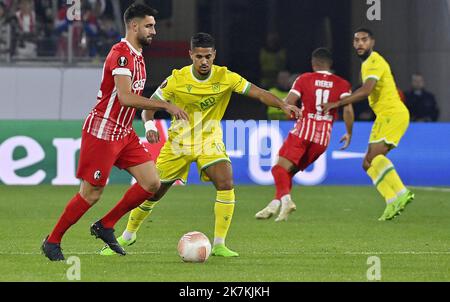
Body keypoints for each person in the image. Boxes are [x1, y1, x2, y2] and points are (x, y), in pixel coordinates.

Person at [99, 32, 301, 257]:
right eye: (199, 57)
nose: (204, 61)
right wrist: (150, 127)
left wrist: (283, 105)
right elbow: (149, 108)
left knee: (226, 182)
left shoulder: (225, 77)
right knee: (153, 192)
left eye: (207, 56)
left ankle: (219, 244)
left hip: (209, 140)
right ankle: (128, 235)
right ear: (190, 56)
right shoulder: (176, 79)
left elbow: (259, 93)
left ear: (214, 55)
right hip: (179, 144)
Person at [41, 3, 188, 261]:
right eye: (149, 26)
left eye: (153, 26)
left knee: (152, 182)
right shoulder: (121, 54)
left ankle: (105, 225)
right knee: (92, 193)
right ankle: (52, 241)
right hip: (103, 130)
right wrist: (165, 106)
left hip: (124, 131)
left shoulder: (139, 55)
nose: (154, 31)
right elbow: (125, 97)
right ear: (134, 26)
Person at [322, 28, 414, 221]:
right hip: (383, 116)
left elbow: (366, 90)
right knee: (367, 163)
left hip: (392, 113)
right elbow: (363, 90)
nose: (360, 44)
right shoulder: (366, 65)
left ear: (372, 42)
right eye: (356, 40)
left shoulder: (374, 62)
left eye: (364, 40)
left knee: (375, 157)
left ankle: (401, 192)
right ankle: (391, 200)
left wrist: (338, 103)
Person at [255, 48, 354, 221]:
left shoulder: (304, 79)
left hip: (303, 132)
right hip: (322, 140)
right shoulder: (342, 84)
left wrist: (291, 113)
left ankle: (286, 201)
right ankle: (274, 205)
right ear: (330, 64)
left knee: (278, 169)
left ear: (313, 63)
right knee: (288, 173)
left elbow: (288, 103)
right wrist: (349, 132)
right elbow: (348, 110)